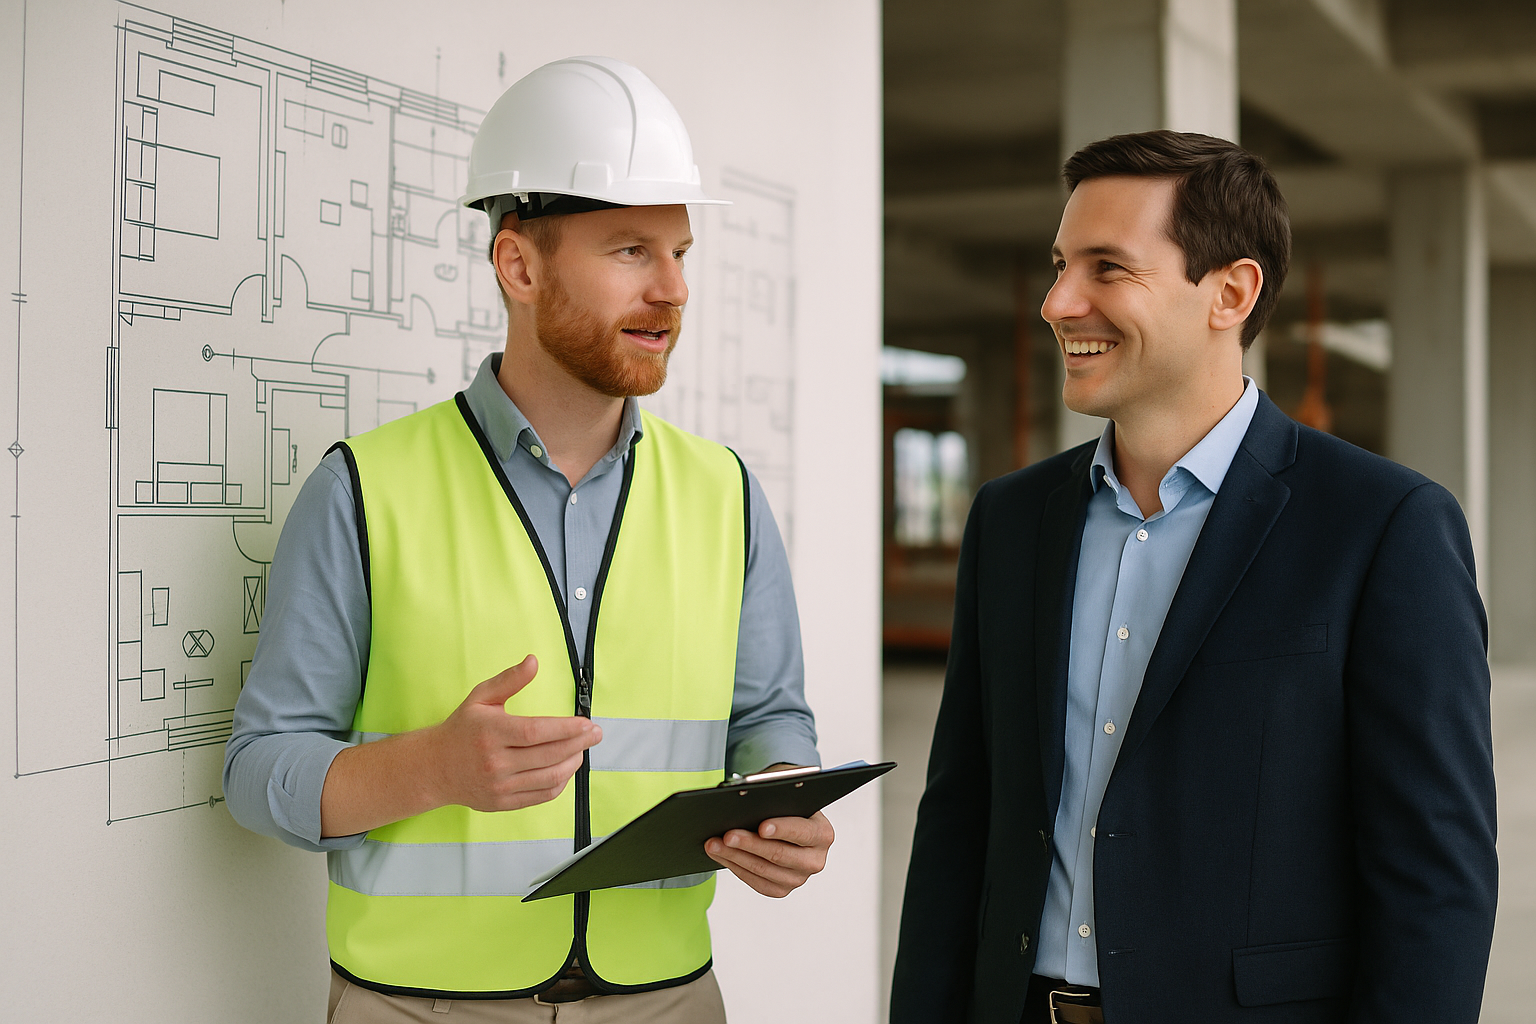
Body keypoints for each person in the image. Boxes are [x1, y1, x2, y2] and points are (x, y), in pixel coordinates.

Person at [224, 56, 834, 1023]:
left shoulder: (726, 492)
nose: (673, 289)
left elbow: (771, 718)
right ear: (519, 265)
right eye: (631, 251)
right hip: (419, 1006)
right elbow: (258, 773)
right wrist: (432, 769)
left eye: (680, 252)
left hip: (669, 998)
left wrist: (780, 799)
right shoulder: (364, 489)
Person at [891, 130, 1497, 1024]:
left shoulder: (1383, 527)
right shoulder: (1012, 521)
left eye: (1107, 267)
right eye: (1061, 264)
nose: (1059, 301)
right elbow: (959, 828)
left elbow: (1434, 880)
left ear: (1231, 292)